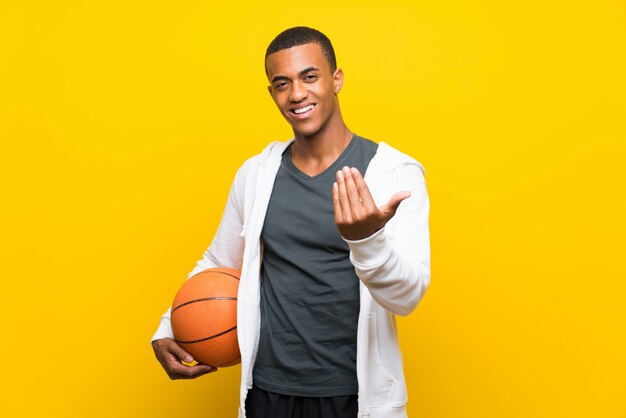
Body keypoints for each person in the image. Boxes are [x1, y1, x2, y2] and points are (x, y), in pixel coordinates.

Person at [151, 26, 431, 418]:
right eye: (282, 83)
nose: (296, 94)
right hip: (268, 391)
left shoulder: (395, 172)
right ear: (272, 93)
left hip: (356, 396)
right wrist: (169, 327)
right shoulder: (256, 173)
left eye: (309, 76)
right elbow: (219, 262)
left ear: (337, 80)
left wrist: (366, 240)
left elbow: (407, 296)